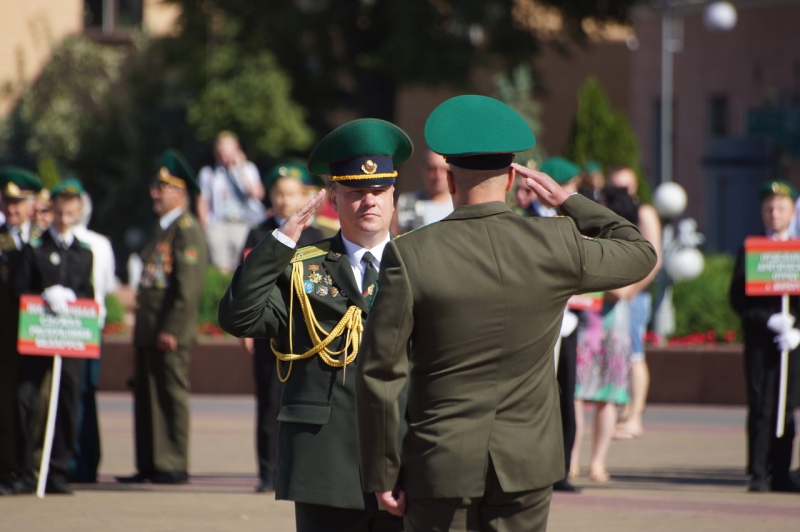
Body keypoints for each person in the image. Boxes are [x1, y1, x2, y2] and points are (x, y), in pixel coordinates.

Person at [355, 95, 657, 531]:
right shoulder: (555, 242)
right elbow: (640, 252)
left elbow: (381, 373)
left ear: (450, 179)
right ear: (513, 178)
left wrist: (383, 472)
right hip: (528, 464)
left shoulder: (410, 254)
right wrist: (570, 201)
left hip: (441, 463)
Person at [218, 118, 412, 532]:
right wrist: (281, 242)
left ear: (394, 196)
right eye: (356, 192)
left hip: (404, 460)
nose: (369, 202)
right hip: (324, 462)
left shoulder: (420, 266)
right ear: (334, 198)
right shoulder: (301, 267)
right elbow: (239, 316)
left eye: (379, 191)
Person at [117, 150, 208, 485]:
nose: (154, 193)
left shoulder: (186, 230)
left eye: (163, 187)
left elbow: (188, 287)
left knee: (169, 395)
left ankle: (173, 463)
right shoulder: (161, 228)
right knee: (147, 396)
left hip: (168, 331)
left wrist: (172, 328)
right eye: (155, 186)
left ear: (180, 193)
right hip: (149, 329)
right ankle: (150, 463)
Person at [239, 161, 324, 493]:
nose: (285, 200)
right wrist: (248, 328)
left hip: (309, 333)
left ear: (303, 196)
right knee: (269, 402)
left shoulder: (319, 236)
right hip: (270, 331)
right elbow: (247, 284)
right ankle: (268, 473)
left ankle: (302, 469)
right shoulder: (259, 233)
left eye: (291, 193)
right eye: (279, 193)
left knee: (307, 400)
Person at [14, 178, 94, 495]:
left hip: (69, 337)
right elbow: (20, 290)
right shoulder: (36, 249)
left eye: (70, 214)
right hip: (38, 334)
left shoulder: (83, 253)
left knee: (68, 400)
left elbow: (87, 294)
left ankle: (58, 470)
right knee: (27, 399)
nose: (64, 219)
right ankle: (25, 469)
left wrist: (74, 298)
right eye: (60, 213)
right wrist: (44, 294)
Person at [515, 156, 583, 493]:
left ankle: (562, 469)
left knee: (565, 395)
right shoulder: (521, 221)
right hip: (534, 321)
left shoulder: (574, 221)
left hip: (569, 321)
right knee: (533, 395)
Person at [730, 179, 800, 493]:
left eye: (781, 208)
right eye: (770, 208)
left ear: (792, 213)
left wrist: (796, 330)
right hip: (760, 340)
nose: (774, 214)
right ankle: (759, 472)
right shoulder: (751, 249)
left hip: (792, 342)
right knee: (761, 404)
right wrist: (767, 319)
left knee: (786, 405)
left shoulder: (797, 251)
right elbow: (738, 298)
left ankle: (782, 472)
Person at [571, 186, 640, 484]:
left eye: (603, 203)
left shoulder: (625, 242)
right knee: (575, 394)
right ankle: (571, 460)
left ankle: (597, 462)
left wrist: (590, 275)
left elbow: (623, 290)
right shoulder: (583, 236)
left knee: (608, 397)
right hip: (584, 325)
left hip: (612, 329)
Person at [606, 166, 663, 440]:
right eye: (615, 187)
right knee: (617, 353)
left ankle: (635, 417)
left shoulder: (644, 212)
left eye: (625, 187)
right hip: (610, 294)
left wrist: (629, 292)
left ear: (635, 186)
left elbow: (654, 260)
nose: (620, 193)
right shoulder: (607, 210)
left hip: (634, 296)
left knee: (635, 354)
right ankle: (622, 412)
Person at [69, 191, 117, 483]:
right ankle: (87, 462)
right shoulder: (102, 243)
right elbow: (109, 287)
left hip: (69, 326)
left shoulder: (88, 244)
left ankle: (74, 462)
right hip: (90, 326)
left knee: (74, 394)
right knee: (86, 393)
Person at [0, 167, 42, 495]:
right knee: (5, 403)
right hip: (5, 335)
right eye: (8, 202)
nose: (13, 209)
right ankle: (6, 469)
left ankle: (32, 469)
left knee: (33, 403)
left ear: (32, 204)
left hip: (38, 335)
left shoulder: (44, 239)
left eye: (19, 202)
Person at [197, 131, 265, 273]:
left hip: (243, 223)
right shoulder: (208, 173)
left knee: (242, 266)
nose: (224, 154)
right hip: (218, 224)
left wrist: (240, 169)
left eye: (227, 150)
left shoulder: (248, 168)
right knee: (221, 267)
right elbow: (203, 200)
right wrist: (205, 227)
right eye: (221, 151)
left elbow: (257, 194)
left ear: (237, 150)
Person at [391, 149, 453, 234]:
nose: (438, 175)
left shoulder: (459, 205)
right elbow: (393, 238)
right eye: (432, 169)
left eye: (443, 169)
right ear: (423, 170)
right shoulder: (404, 204)